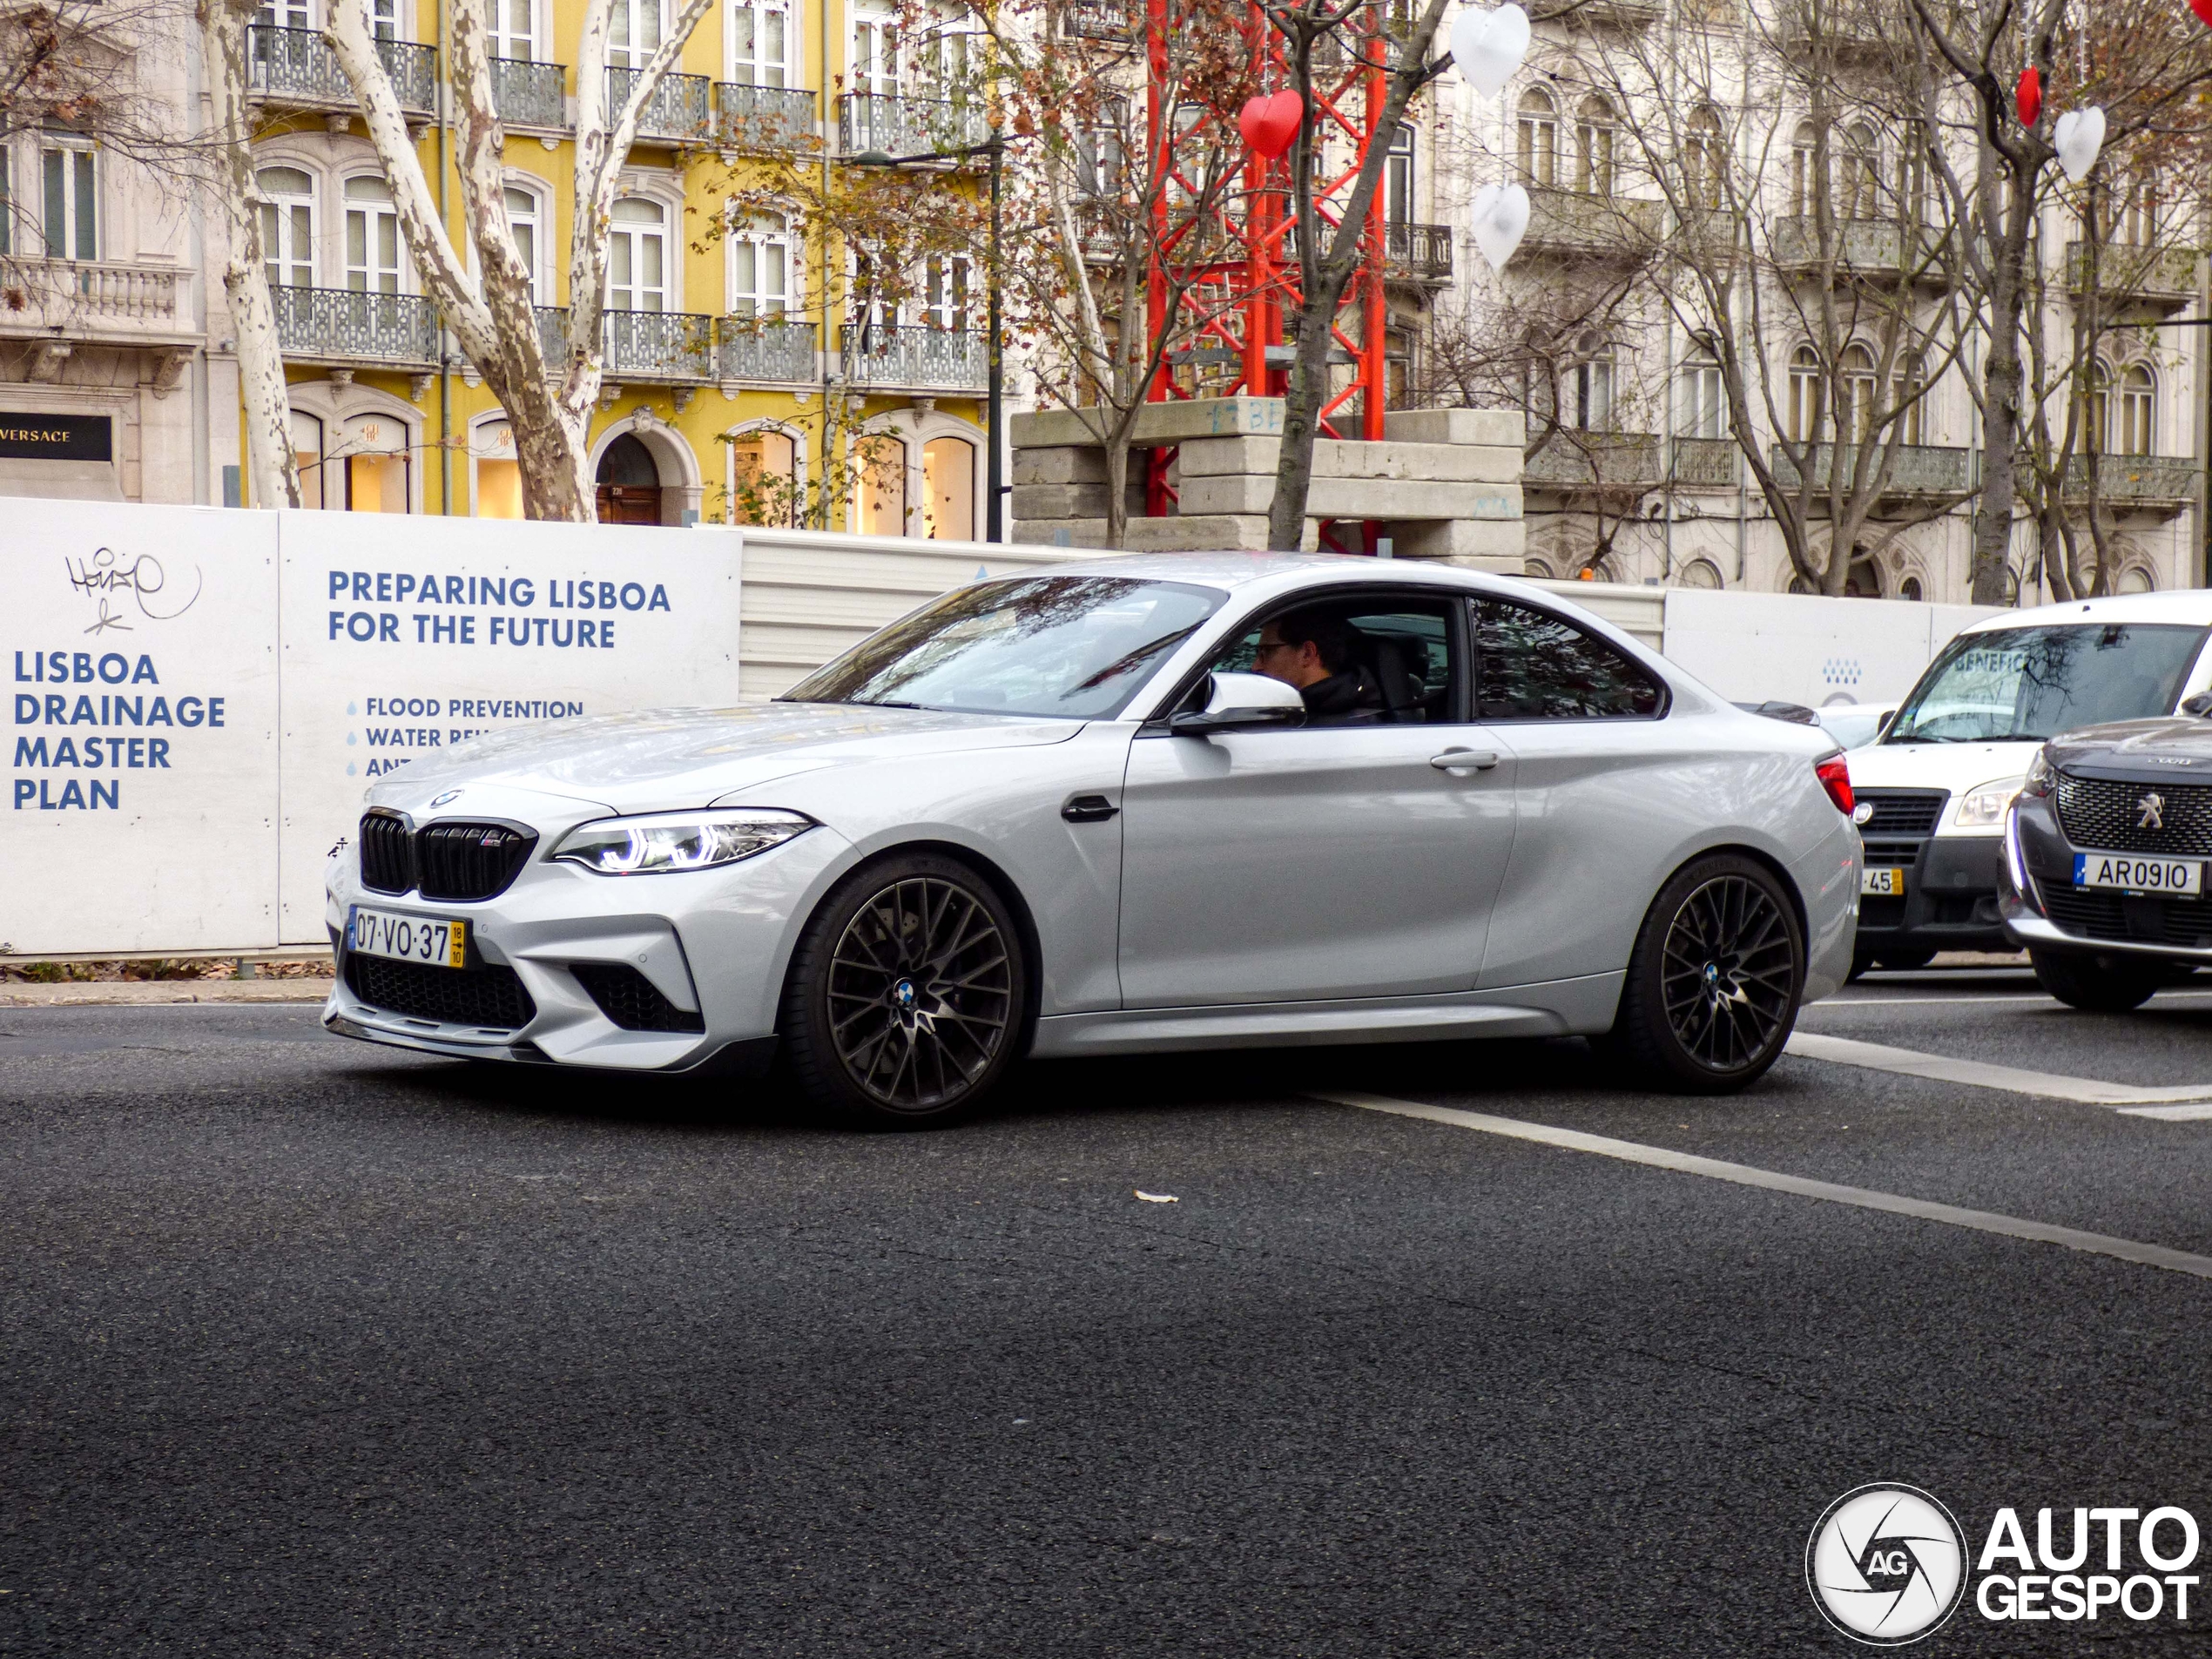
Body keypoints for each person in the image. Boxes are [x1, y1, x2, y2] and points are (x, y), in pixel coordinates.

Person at [1250, 609, 1391, 725]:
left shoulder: (1349, 728)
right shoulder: (1297, 714)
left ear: (1307, 654)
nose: (1255, 667)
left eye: (1266, 652)